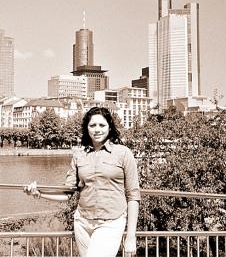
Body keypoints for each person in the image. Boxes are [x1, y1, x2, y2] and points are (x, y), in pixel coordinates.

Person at [24, 107, 140, 257]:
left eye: (102, 125)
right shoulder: (79, 155)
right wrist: (38, 193)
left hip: (111, 222)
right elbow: (67, 193)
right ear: (87, 128)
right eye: (92, 125)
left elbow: (133, 196)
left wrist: (131, 236)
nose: (97, 129)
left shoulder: (123, 153)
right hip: (82, 223)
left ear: (110, 127)